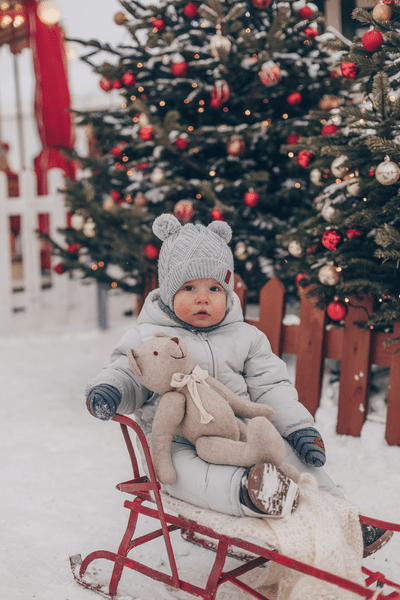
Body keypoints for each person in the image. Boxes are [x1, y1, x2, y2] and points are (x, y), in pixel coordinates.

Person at [86, 213, 392, 557]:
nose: (203, 298)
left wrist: (298, 428)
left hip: (240, 430)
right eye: (189, 288)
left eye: (214, 288)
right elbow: (128, 373)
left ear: (227, 291)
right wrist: (110, 389)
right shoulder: (147, 336)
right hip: (175, 442)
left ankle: (344, 516)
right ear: (168, 290)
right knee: (191, 477)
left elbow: (271, 385)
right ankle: (251, 493)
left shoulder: (247, 336)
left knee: (293, 457)